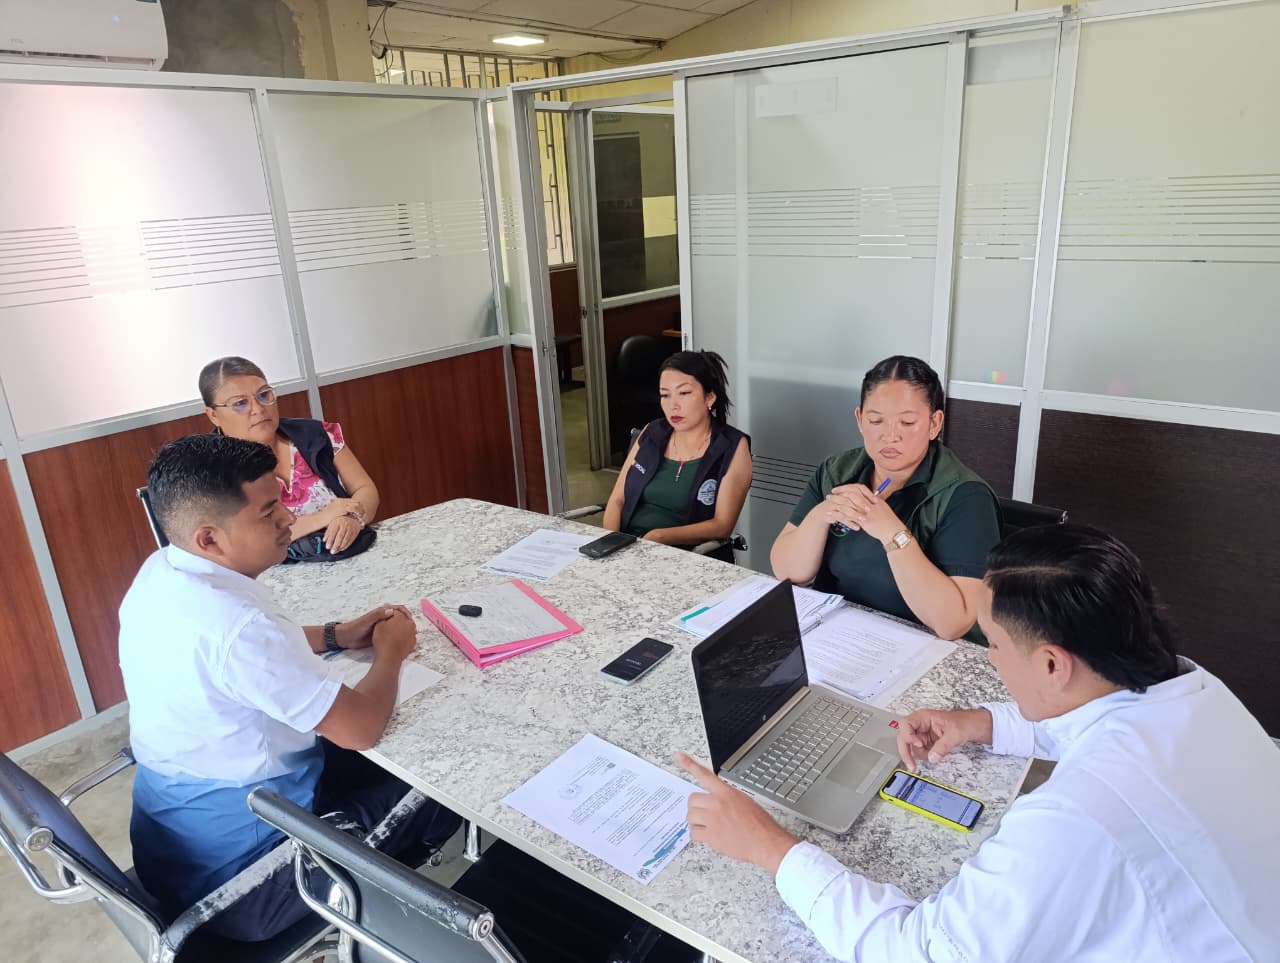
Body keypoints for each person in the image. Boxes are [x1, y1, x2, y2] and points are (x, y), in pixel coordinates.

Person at [677, 524, 1280, 962]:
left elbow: (918, 954)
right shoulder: (1189, 688)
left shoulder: (1076, 818)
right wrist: (978, 723)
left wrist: (771, 848)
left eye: (992, 643)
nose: (990, 659)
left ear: (1052, 664)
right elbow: (1093, 720)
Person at [120, 433, 459, 940]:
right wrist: (391, 651)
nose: (289, 518)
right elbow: (360, 729)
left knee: (389, 752)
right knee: (447, 779)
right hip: (249, 882)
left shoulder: (162, 572)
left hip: (177, 847)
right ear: (209, 538)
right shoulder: (237, 627)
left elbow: (236, 656)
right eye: (268, 511)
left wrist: (335, 635)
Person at [770, 355, 999, 640]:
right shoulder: (837, 471)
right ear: (859, 419)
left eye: (907, 422)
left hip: (921, 644)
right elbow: (788, 571)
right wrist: (823, 512)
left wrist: (893, 534)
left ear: (934, 423)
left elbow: (953, 623)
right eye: (876, 420)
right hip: (840, 632)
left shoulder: (966, 496)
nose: (890, 436)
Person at [199, 356, 379, 561]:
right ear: (213, 415)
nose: (258, 409)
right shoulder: (211, 471)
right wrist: (322, 518)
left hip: (347, 558)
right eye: (240, 403)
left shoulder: (316, 435)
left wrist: (352, 518)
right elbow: (246, 542)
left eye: (264, 395)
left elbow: (365, 488)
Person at [602, 350, 751, 560]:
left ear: (710, 397)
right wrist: (612, 545)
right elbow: (618, 499)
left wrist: (659, 536)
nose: (673, 405)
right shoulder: (652, 432)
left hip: (687, 558)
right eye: (665, 395)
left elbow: (722, 525)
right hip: (628, 550)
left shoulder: (732, 446)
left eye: (684, 393)